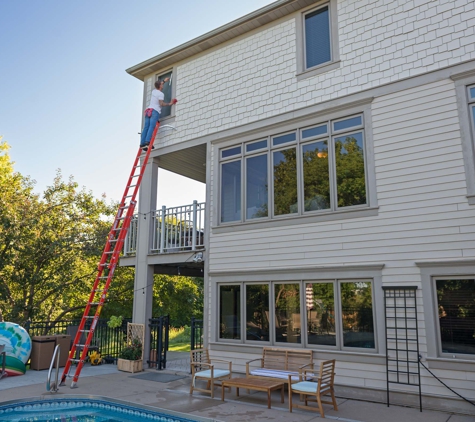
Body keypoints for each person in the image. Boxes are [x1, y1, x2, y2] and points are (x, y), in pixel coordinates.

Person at [140, 78, 176, 149]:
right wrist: (170, 103)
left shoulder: (154, 91)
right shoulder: (161, 94)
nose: (162, 85)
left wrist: (164, 81)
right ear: (160, 86)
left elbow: (159, 84)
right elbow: (161, 104)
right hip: (154, 112)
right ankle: (148, 141)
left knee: (146, 127)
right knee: (151, 127)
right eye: (161, 84)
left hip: (148, 111)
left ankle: (142, 143)